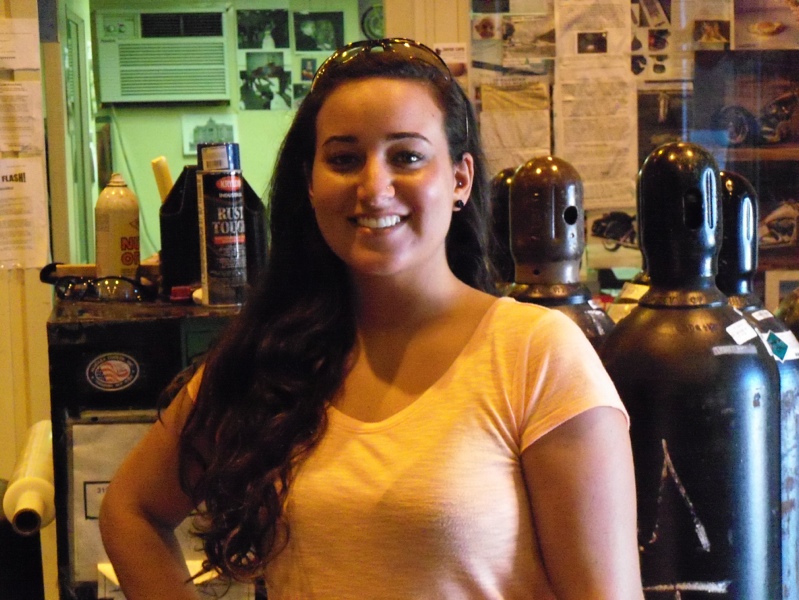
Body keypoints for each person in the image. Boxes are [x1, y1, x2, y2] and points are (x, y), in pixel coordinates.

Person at [99, 38, 643, 599]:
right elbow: (130, 511)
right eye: (343, 159)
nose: (374, 187)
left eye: (406, 156)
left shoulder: (537, 354)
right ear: (311, 183)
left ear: (460, 179)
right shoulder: (268, 356)